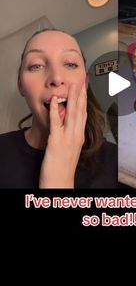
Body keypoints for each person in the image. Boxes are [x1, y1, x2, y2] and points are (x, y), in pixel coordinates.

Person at [0, 28, 117, 188]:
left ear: (86, 82)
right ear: (21, 85)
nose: (56, 78)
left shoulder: (117, 163)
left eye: (70, 64)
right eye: (36, 66)